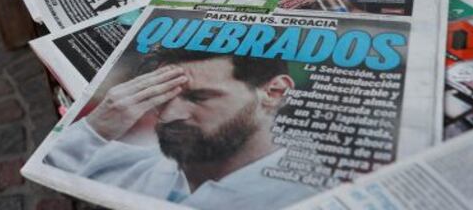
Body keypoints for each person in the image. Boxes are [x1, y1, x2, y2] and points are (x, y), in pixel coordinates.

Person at [44, 49, 316, 209]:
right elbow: (49, 172)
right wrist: (96, 128)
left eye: (199, 98)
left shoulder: (311, 191)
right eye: (161, 98)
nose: (169, 115)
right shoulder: (118, 163)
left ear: (274, 92)